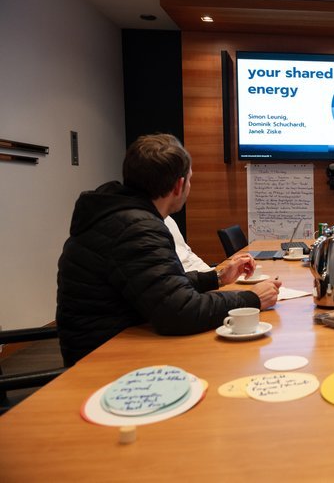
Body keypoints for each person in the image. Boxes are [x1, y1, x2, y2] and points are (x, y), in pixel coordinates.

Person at [56, 134, 281, 366]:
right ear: (179, 185)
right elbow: (179, 312)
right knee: (229, 363)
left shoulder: (121, 216)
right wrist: (252, 299)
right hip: (104, 360)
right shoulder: (137, 229)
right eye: (190, 180)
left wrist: (215, 278)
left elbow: (158, 287)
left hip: (114, 340)